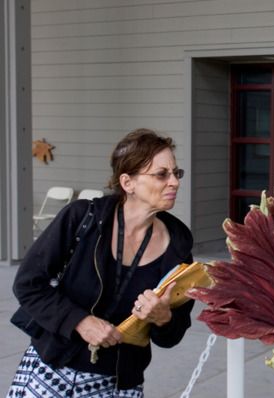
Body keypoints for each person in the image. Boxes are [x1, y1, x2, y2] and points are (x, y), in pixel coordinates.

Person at [8, 128, 194, 397]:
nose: (174, 182)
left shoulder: (178, 247)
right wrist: (80, 322)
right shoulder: (82, 218)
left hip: (120, 384)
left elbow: (171, 337)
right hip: (54, 371)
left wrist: (163, 317)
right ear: (128, 183)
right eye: (161, 174)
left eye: (176, 173)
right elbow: (27, 285)